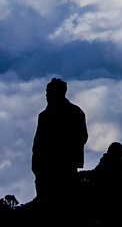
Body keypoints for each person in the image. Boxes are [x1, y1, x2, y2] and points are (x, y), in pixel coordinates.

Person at [32, 77, 88, 205]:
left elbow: (81, 138)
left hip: (63, 168)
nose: (47, 96)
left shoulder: (74, 113)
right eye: (47, 93)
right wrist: (36, 166)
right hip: (46, 169)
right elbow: (38, 143)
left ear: (60, 93)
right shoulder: (45, 116)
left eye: (50, 92)